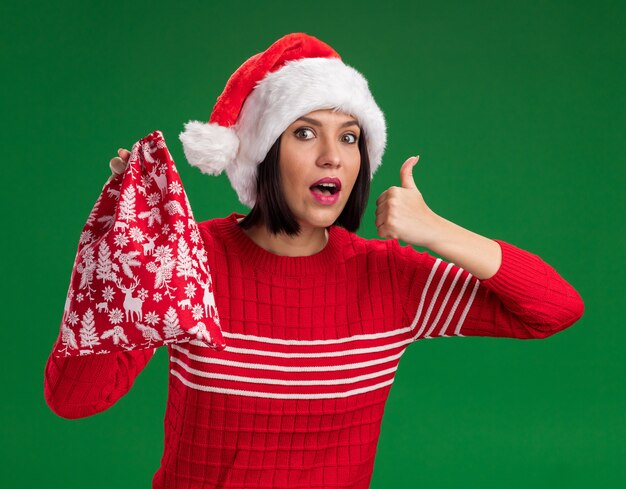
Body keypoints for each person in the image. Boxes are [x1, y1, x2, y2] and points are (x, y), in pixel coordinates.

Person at [44, 33, 585, 489]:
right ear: (263, 152)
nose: (332, 154)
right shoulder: (192, 260)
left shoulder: (389, 278)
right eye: (305, 132)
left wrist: (436, 231)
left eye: (349, 137)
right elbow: (74, 399)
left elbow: (555, 309)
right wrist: (124, 260)